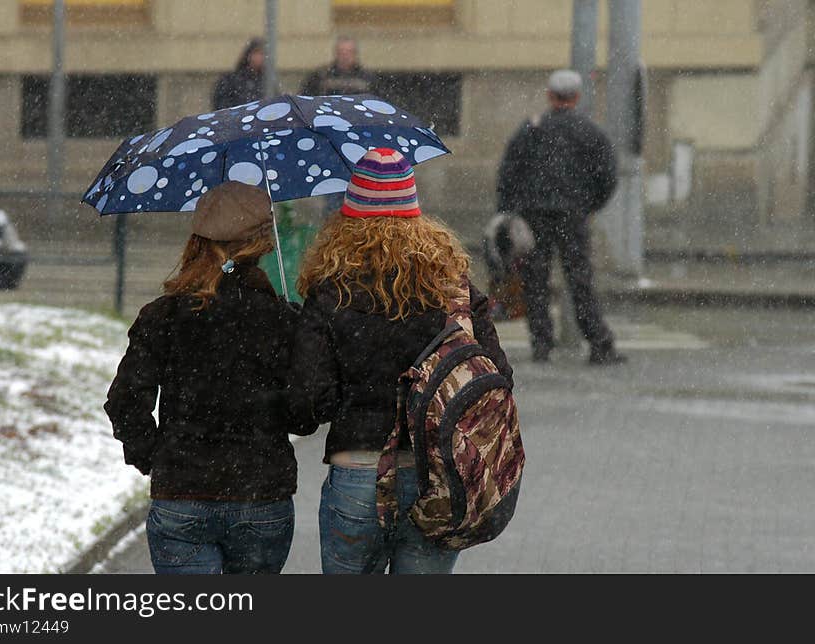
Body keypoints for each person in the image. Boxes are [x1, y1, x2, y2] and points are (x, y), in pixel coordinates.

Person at [287, 148, 513, 574]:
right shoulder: (455, 290)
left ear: (349, 218)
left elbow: (306, 406)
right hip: (441, 475)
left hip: (358, 474)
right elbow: (498, 378)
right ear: (416, 214)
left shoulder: (331, 292)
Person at [104, 181, 317, 574]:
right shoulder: (281, 320)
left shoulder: (163, 316)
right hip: (261, 496)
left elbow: (126, 401)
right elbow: (304, 413)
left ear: (196, 241)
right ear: (262, 244)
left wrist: (153, 455)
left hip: (181, 493)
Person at [496, 68, 627, 365]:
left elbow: (508, 172)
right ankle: (598, 344)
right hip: (572, 215)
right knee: (579, 279)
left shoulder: (531, 129)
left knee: (535, 280)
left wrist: (507, 210)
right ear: (577, 97)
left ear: (550, 95)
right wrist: (589, 204)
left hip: (533, 216)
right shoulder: (589, 131)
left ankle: (541, 344)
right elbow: (607, 176)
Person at [300, 35, 379, 215]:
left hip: (359, 143)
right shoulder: (321, 76)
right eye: (341, 52)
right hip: (331, 144)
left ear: (355, 54)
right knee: (334, 193)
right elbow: (307, 104)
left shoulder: (367, 78)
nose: (345, 56)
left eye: (349, 52)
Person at [213, 37, 266, 110]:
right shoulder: (231, 80)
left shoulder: (268, 82)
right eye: (257, 53)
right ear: (248, 55)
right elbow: (221, 108)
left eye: (263, 54)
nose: (260, 57)